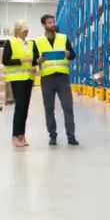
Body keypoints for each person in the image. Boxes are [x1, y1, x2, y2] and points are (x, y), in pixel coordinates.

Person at [33, 14, 78, 146]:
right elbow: (34, 60)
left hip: (63, 78)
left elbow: (73, 55)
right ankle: (52, 136)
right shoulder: (38, 41)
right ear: (44, 25)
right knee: (49, 108)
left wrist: (69, 54)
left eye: (53, 22)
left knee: (68, 107)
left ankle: (71, 136)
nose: (52, 24)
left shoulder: (63, 38)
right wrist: (38, 61)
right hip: (47, 79)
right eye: (49, 23)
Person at [2, 20, 35, 148]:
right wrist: (21, 60)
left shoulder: (30, 44)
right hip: (17, 78)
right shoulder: (10, 42)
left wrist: (34, 67)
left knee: (25, 108)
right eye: (24, 29)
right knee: (20, 107)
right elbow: (5, 60)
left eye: (27, 29)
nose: (26, 31)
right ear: (17, 30)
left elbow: (33, 60)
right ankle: (15, 135)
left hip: (28, 78)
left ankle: (22, 135)